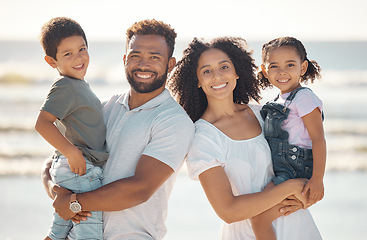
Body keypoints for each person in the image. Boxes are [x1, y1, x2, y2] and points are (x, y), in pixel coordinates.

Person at [41, 19, 195, 240]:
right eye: (135, 55)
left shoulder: (174, 121)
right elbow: (54, 162)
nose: (144, 64)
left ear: (170, 64)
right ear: (124, 60)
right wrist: (57, 192)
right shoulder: (101, 107)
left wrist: (73, 203)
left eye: (155, 57)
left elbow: (140, 189)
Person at [168, 37, 322, 239]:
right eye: (207, 71)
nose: (217, 76)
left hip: (297, 226)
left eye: (224, 67)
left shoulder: (263, 114)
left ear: (236, 71)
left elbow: (305, 149)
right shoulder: (202, 137)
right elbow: (228, 211)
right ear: (196, 80)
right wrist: (290, 188)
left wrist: (306, 196)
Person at [36, 17, 108, 240]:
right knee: (89, 233)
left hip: (75, 168)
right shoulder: (66, 86)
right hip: (80, 170)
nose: (78, 57)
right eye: (67, 54)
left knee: (60, 231)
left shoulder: (76, 85)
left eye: (82, 49)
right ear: (51, 61)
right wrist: (71, 151)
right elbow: (42, 123)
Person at [251, 36, 326, 239]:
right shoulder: (277, 100)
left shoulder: (304, 98)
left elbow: (318, 139)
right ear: (265, 71)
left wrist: (317, 180)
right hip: (283, 170)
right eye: (274, 66)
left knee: (259, 217)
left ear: (302, 68)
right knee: (258, 212)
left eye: (290, 65)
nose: (282, 71)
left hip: (294, 170)